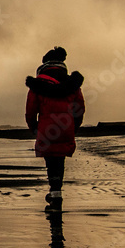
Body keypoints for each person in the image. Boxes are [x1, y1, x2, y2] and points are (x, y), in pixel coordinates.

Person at [25, 47, 85, 212]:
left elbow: (30, 111)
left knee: (51, 161)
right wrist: (75, 127)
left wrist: (34, 129)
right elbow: (79, 109)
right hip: (66, 128)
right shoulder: (72, 85)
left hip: (46, 130)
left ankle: (55, 193)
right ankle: (56, 193)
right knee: (60, 161)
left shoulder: (37, 86)